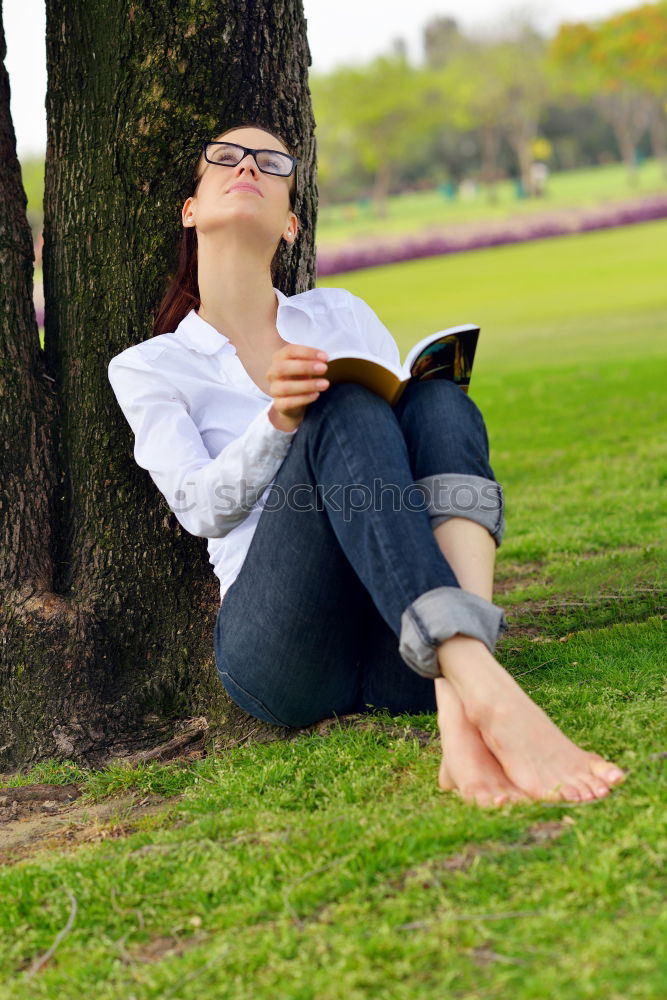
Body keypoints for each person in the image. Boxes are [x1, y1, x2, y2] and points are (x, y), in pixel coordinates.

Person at [108, 121, 626, 809]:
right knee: (342, 405)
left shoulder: (338, 314)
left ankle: (457, 687)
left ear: (290, 223)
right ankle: (489, 696)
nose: (247, 167)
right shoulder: (149, 365)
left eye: (271, 162)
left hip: (399, 644)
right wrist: (281, 420)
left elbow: (402, 446)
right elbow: (200, 508)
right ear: (190, 209)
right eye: (226, 158)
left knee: (437, 400)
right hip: (282, 651)